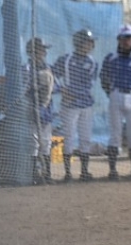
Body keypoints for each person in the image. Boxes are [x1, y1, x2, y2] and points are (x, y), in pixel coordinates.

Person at [52, 29, 98, 182]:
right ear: (79, 42)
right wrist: (61, 90)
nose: (91, 45)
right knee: (69, 137)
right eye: (88, 42)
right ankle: (68, 173)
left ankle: (84, 171)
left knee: (85, 137)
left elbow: (89, 85)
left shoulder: (92, 62)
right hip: (69, 105)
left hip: (85, 104)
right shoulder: (65, 59)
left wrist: (72, 92)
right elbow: (52, 77)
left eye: (91, 42)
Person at [100, 24, 131, 181]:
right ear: (118, 39)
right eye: (123, 38)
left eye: (129, 38)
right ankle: (112, 171)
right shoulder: (111, 57)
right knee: (115, 135)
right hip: (116, 95)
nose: (126, 41)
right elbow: (103, 77)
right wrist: (110, 93)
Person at [25, 37, 55, 185]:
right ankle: (34, 175)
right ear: (33, 51)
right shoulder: (27, 68)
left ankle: (47, 174)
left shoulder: (47, 68)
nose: (44, 52)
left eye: (44, 50)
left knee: (46, 142)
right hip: (32, 108)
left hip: (46, 109)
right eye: (41, 49)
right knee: (34, 143)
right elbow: (24, 87)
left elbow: (56, 87)